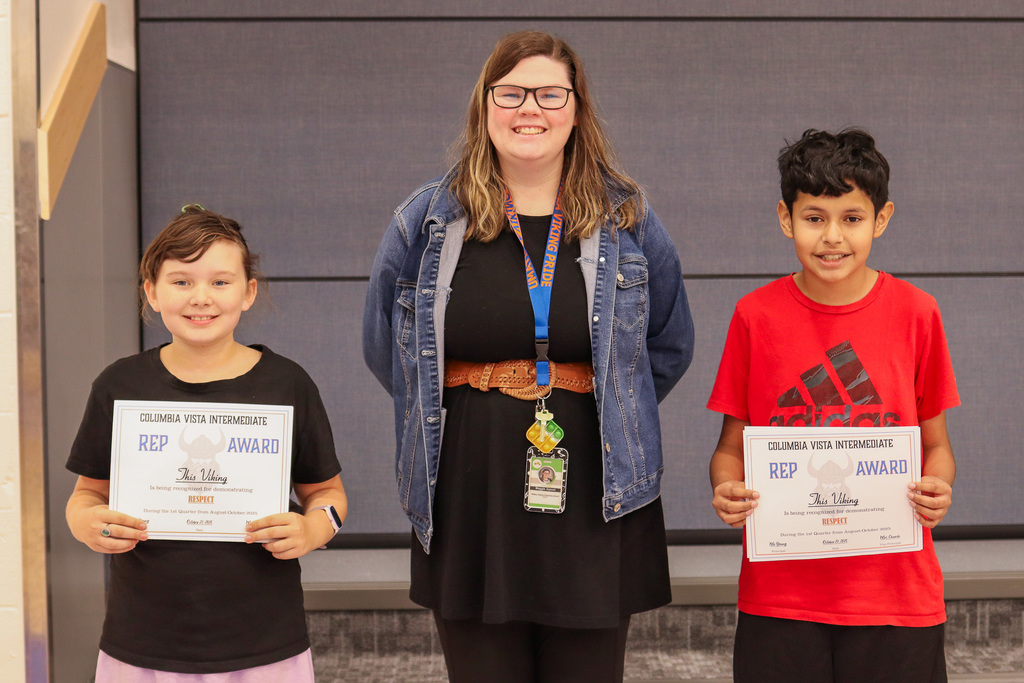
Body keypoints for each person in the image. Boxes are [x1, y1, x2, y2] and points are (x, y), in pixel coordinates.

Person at [363, 30, 694, 683]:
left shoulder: (628, 218)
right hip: (468, 487)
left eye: (549, 93)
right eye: (510, 93)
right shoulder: (427, 219)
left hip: (597, 492)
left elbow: (669, 343)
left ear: (577, 108)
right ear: (485, 106)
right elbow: (388, 347)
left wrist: (597, 400)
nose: (529, 109)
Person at [707, 129, 958, 682]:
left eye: (852, 217)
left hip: (896, 596)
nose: (832, 237)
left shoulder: (918, 313)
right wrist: (726, 489)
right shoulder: (755, 316)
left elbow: (937, 447)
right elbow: (730, 450)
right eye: (814, 217)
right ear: (784, 217)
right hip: (781, 597)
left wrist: (938, 489)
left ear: (882, 219)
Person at [65, 206, 347, 681]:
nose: (201, 298)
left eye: (220, 281)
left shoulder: (288, 383)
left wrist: (313, 531)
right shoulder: (119, 385)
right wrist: (87, 524)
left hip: (265, 644)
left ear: (248, 292)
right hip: (141, 643)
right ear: (151, 293)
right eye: (181, 281)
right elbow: (85, 496)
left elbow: (329, 497)